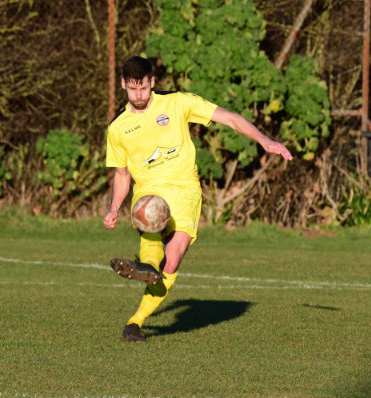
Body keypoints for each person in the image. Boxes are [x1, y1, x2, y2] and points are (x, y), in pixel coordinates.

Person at [103, 56, 293, 342]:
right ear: (123, 85)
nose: (139, 95)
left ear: (152, 82)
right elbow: (121, 174)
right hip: (148, 190)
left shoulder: (178, 102)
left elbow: (229, 118)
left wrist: (265, 141)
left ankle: (135, 320)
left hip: (185, 189)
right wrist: (114, 208)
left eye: (143, 88)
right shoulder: (118, 127)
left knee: (173, 259)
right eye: (133, 89)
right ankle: (147, 267)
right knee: (150, 219)